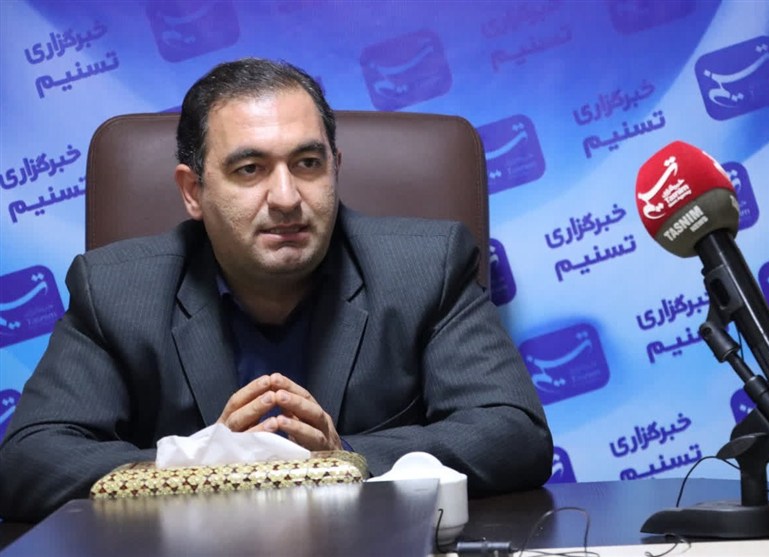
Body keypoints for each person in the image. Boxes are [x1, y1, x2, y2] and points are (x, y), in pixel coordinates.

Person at [0, 58, 552, 522]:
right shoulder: (118, 290)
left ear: (335, 169)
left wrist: (344, 458)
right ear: (193, 191)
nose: (286, 197)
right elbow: (27, 463)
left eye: (308, 164)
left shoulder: (425, 268)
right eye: (249, 169)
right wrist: (193, 466)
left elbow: (513, 435)